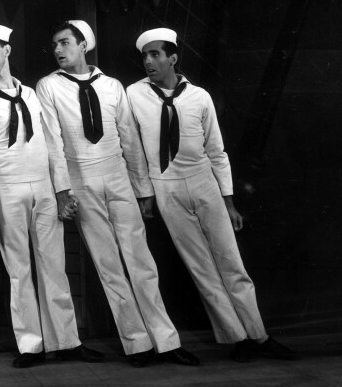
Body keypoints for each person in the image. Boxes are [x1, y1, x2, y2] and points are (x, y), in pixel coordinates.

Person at [35, 20, 199, 368]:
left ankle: (167, 342)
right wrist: (63, 191)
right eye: (54, 45)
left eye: (64, 43)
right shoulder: (48, 86)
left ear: (83, 46)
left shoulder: (111, 86)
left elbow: (130, 139)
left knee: (141, 261)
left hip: (118, 175)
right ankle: (137, 344)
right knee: (108, 265)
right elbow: (52, 141)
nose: (58, 50)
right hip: (80, 178)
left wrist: (142, 190)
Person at [126, 27, 296, 363]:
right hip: (166, 187)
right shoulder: (133, 95)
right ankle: (237, 339)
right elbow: (133, 150)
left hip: (204, 182)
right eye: (145, 55)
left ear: (173, 58)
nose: (149, 61)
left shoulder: (199, 97)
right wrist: (145, 194)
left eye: (156, 54)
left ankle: (259, 337)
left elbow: (216, 151)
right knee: (202, 268)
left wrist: (228, 201)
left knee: (231, 264)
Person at [0, 23, 103, 368]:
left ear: (6, 50)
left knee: (54, 266)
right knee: (19, 271)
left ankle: (67, 341)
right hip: (7, 191)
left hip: (43, 187)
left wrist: (60, 189)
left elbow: (52, 145)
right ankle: (31, 346)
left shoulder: (31, 94)